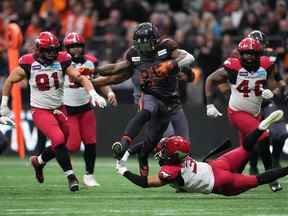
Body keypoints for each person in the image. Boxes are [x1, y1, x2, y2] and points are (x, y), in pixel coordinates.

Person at [0, 31, 107, 191]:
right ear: (39, 50)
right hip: (40, 110)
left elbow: (80, 78)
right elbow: (9, 81)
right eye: (48, 50)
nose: (52, 54)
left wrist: (93, 93)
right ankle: (71, 176)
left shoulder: (63, 60)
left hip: (59, 108)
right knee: (58, 139)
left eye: (54, 50)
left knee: (64, 141)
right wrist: (4, 104)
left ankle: (39, 161)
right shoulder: (28, 62)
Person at [93, 22, 195, 176]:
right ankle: (126, 144)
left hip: (172, 103)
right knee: (165, 137)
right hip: (150, 97)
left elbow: (188, 58)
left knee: (184, 145)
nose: (143, 48)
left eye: (146, 44)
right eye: (140, 44)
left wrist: (170, 66)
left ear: (155, 40)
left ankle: (166, 170)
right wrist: (92, 74)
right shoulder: (134, 55)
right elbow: (114, 71)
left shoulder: (165, 48)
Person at [115, 110, 288, 196]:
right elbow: (150, 147)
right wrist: (129, 152)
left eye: (164, 150)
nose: (160, 152)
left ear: (173, 156)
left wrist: (124, 171)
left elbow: (145, 183)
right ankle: (259, 129)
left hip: (219, 182)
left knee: (257, 179)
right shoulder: (179, 154)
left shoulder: (170, 170)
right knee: (245, 148)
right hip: (216, 165)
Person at [205, 37, 285, 192]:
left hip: (254, 113)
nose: (248, 57)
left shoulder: (266, 64)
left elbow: (278, 79)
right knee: (263, 135)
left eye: (251, 53)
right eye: (245, 53)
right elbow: (210, 79)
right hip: (237, 112)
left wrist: (274, 91)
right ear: (240, 54)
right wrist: (209, 104)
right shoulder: (233, 66)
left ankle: (232, 179)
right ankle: (272, 179)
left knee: (245, 150)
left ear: (258, 54)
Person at [63, 32, 117, 187]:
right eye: (72, 46)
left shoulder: (91, 62)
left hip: (86, 107)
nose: (76, 49)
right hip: (68, 109)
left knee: (90, 142)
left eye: (78, 46)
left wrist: (110, 92)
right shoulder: (61, 62)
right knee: (72, 145)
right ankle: (47, 159)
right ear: (66, 48)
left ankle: (89, 175)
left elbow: (100, 81)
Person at [247, 30, 288, 192]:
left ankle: (275, 160)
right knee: (255, 138)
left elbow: (276, 76)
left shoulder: (268, 58)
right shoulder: (239, 58)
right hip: (249, 103)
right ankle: (253, 166)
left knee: (280, 132)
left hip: (266, 100)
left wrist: (280, 88)